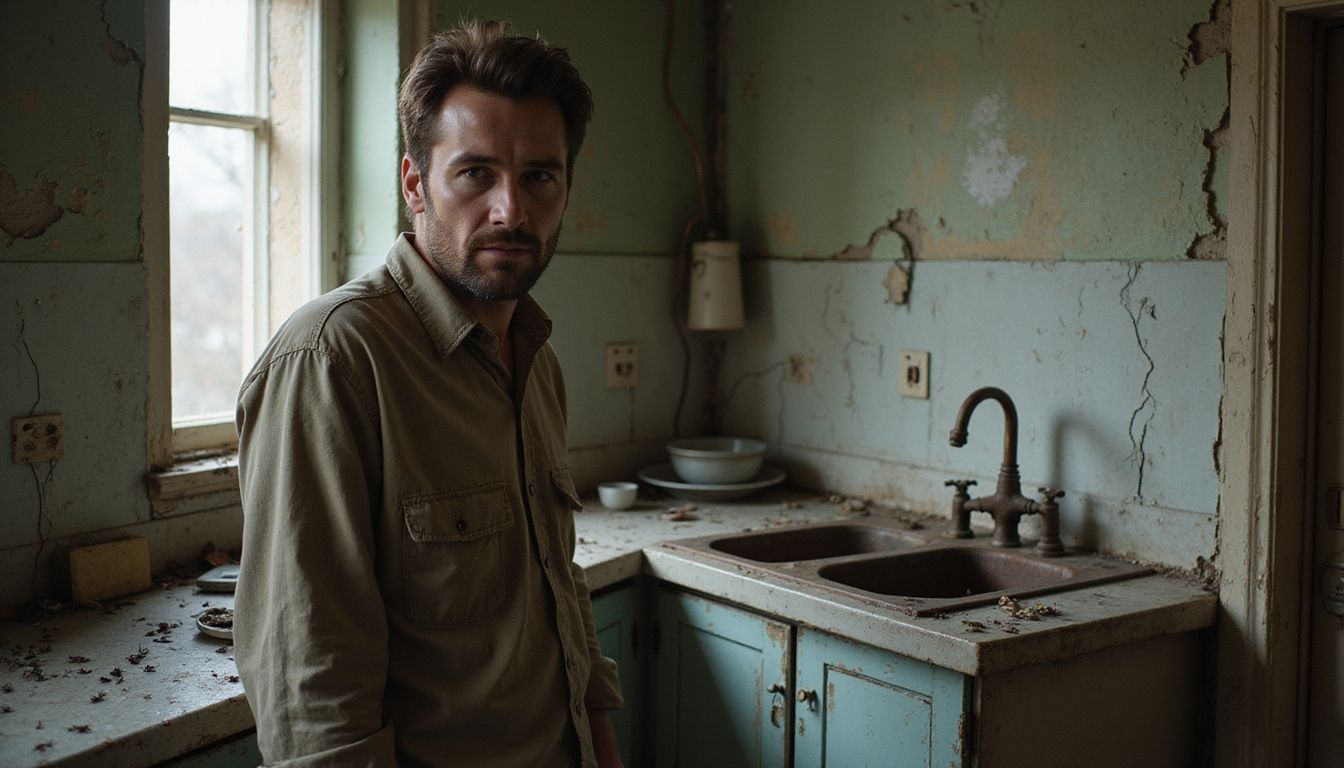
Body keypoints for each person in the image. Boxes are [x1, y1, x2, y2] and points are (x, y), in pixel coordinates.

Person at [234, 20, 623, 767]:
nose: (512, 210)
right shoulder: (332, 360)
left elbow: (561, 598)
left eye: (541, 176)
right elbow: (313, 694)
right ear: (416, 185)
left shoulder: (536, 361)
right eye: (476, 173)